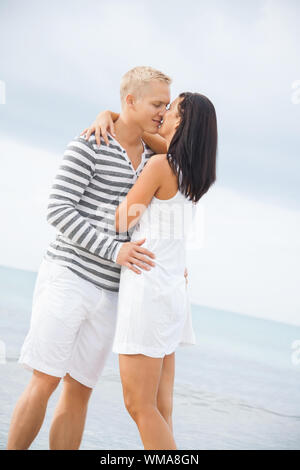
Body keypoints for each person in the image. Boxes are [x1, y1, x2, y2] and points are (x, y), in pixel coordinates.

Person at [7, 66, 190, 450]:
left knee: (79, 392)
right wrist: (114, 249)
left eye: (166, 105)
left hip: (112, 292)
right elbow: (58, 210)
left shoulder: (153, 156)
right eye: (157, 103)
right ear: (130, 101)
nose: (162, 111)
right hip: (68, 277)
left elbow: (183, 155)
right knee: (45, 379)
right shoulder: (89, 143)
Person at [82, 91, 218, 449]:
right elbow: (140, 130)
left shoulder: (160, 166)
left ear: (181, 122)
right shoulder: (190, 172)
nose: (164, 111)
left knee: (139, 405)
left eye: (171, 109)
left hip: (148, 288)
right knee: (160, 407)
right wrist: (107, 113)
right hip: (172, 290)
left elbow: (121, 219)